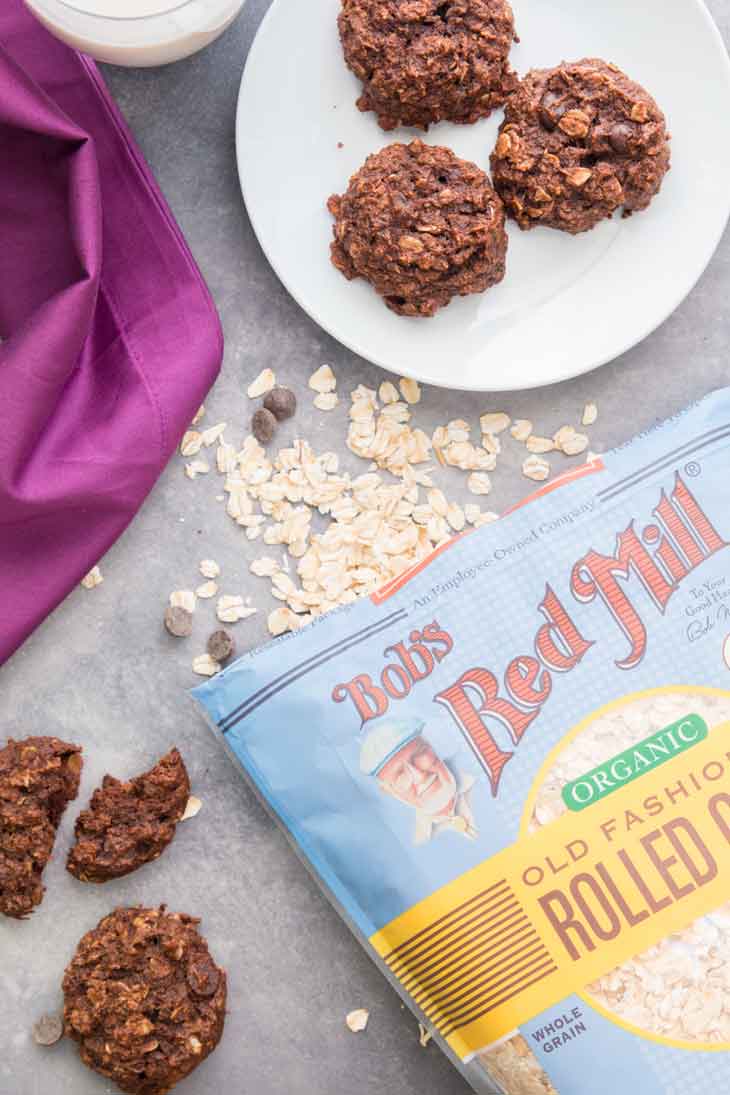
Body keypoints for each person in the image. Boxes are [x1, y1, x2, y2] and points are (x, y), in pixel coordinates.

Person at [359, 716, 477, 845]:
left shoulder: (480, 776)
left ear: (431, 747)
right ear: (390, 792)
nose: (420, 776)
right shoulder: (418, 842)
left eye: (419, 754)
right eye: (399, 774)